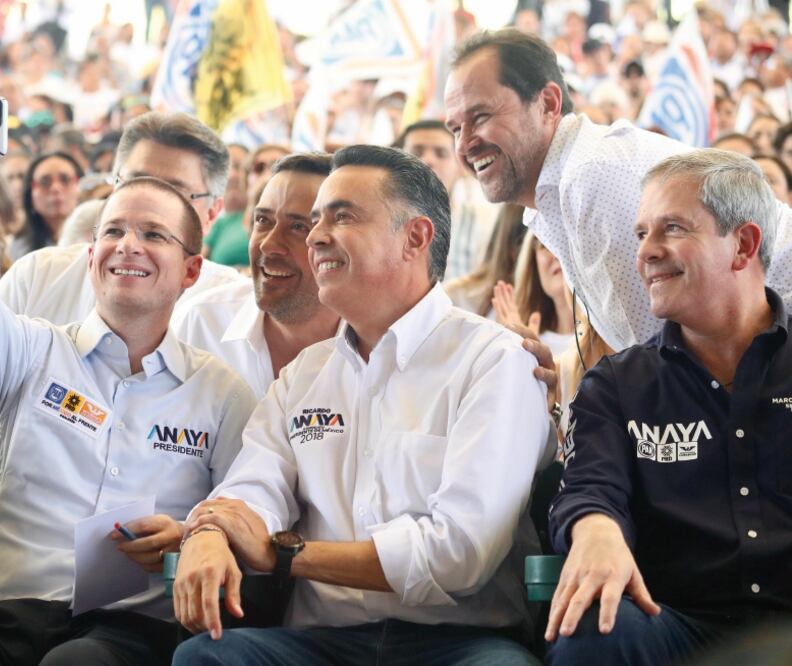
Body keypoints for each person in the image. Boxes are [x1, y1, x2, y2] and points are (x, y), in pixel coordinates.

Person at [0, 91, 257, 666]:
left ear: (192, 268)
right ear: (90, 252)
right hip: (3, 615)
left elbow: (243, 512)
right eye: (114, 230)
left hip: (130, 630)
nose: (129, 245)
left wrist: (196, 533)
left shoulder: (222, 395)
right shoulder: (30, 350)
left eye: (154, 234)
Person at [171, 145, 552, 665]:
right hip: (320, 643)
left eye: (341, 216)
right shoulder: (306, 374)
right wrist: (213, 530)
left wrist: (289, 557)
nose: (316, 237)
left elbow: (461, 553)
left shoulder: (493, 361)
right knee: (204, 658)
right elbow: (253, 487)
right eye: (317, 221)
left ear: (415, 237)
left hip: (458, 644)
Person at [0, 111, 245, 530]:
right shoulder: (39, 275)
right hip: (19, 540)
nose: (149, 200)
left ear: (213, 210)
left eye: (175, 192)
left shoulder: (235, 310)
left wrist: (192, 537)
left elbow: (241, 479)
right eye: (134, 182)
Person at [546, 150, 792, 665]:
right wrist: (595, 531)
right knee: (594, 628)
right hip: (677, 628)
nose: (646, 253)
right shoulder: (616, 383)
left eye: (672, 229)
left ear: (743, 244)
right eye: (641, 234)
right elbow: (590, 488)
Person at [443, 28, 792, 353]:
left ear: (548, 103)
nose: (466, 144)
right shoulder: (561, 188)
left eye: (481, 116)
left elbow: (658, 364)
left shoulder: (591, 173)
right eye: (456, 128)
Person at [174, 153, 341, 398]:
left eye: (298, 227)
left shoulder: (375, 344)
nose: (268, 244)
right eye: (263, 220)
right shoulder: (200, 324)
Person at [398, 119, 497, 280]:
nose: (429, 161)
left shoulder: (482, 225)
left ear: (460, 167)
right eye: (417, 152)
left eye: (441, 154)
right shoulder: (377, 220)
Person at [7, 151, 82, 260]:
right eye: (45, 182)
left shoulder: (96, 238)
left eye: (65, 179)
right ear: (30, 194)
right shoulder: (17, 249)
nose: (55, 188)